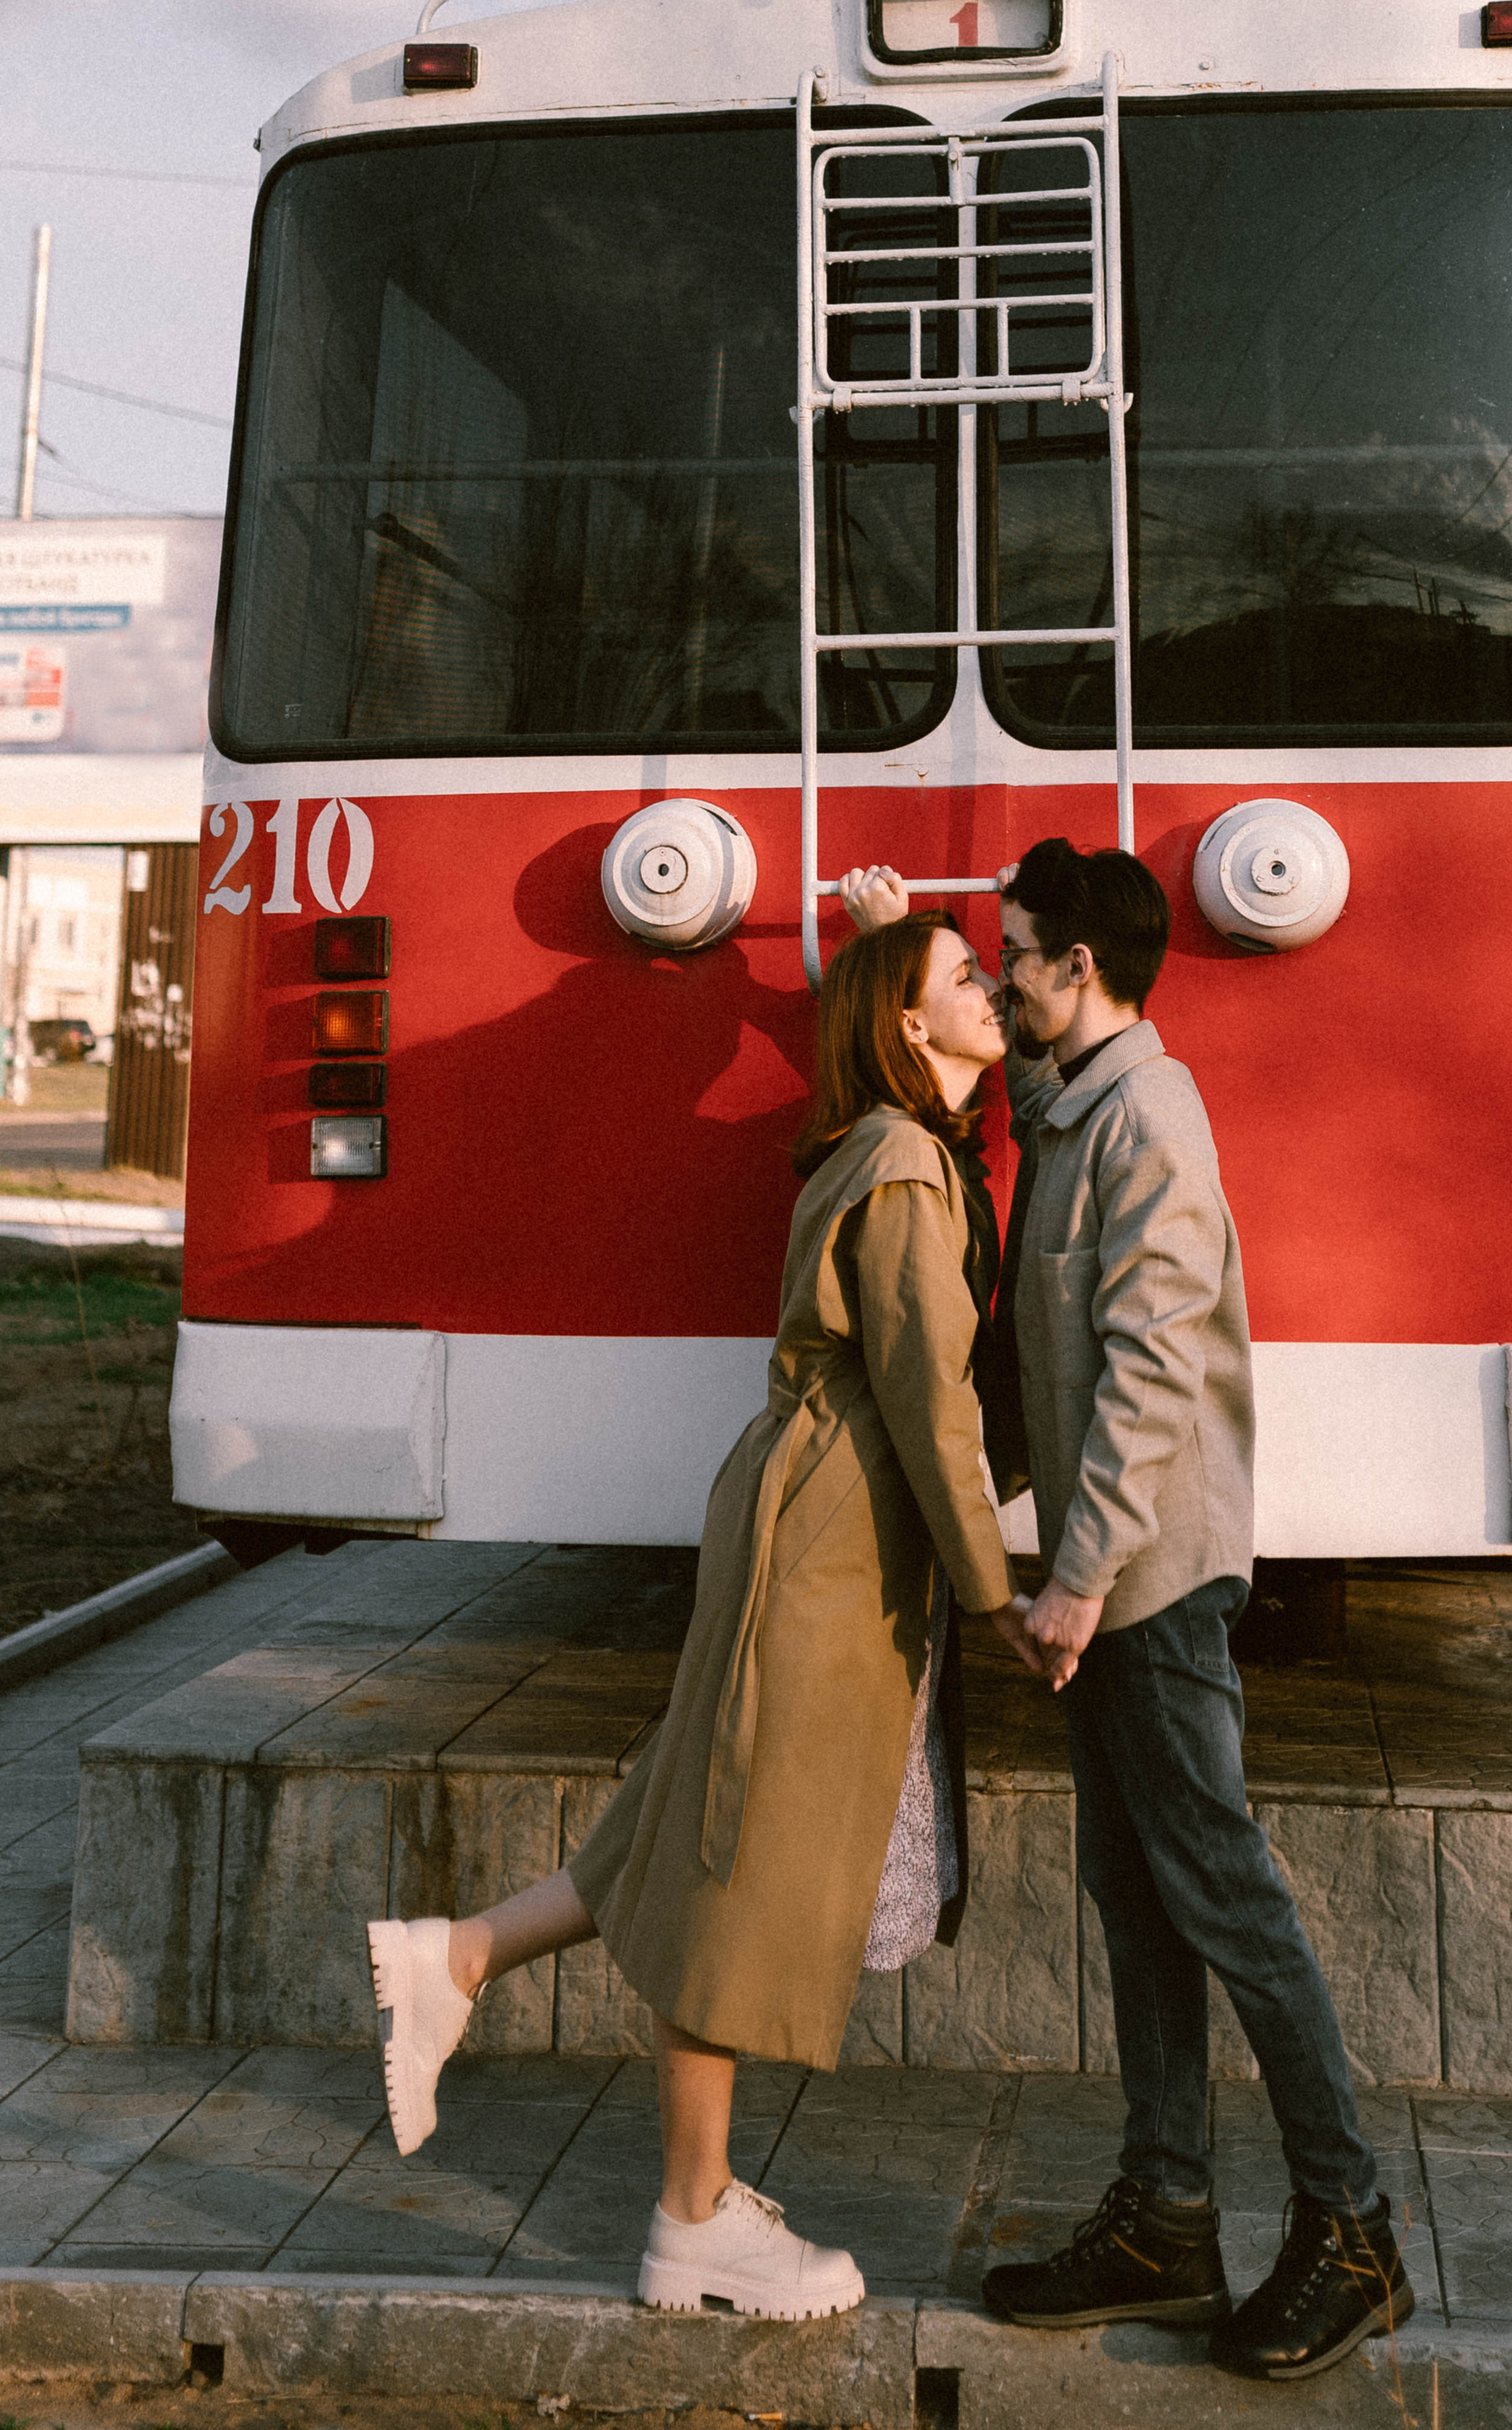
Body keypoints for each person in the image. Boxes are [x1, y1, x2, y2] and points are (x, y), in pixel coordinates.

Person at [365, 912, 1042, 2324]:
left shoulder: (884, 1142)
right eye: (965, 979)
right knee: (735, 1852)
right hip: (833, 1532)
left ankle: (459, 1956)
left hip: (806, 1510)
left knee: (691, 1802)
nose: (995, 989)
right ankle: (692, 2220)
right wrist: (998, 1592)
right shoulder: (910, 1163)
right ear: (914, 1032)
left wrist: (874, 946)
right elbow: (928, 1396)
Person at [839, 843, 1411, 2382]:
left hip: (1147, 1582)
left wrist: (1076, 1577)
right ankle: (1166, 2219)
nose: (1001, 974)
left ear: (1075, 972)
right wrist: (902, 944)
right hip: (1116, 1582)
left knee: (1222, 1893)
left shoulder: (1152, 1119)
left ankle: (1352, 2230)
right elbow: (1013, 1097)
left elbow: (1154, 1373)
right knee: (1142, 1895)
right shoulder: (1082, 1096)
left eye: (1012, 955)